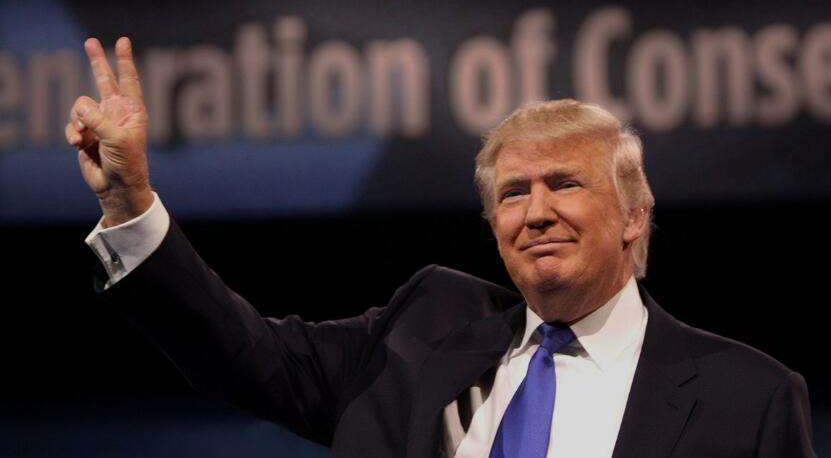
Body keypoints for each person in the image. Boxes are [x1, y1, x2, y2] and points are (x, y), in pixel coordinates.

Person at [67, 37, 816, 458]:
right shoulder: (421, 330)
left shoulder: (747, 397)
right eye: (512, 194)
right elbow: (245, 353)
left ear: (633, 216)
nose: (537, 213)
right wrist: (130, 204)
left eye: (564, 184)